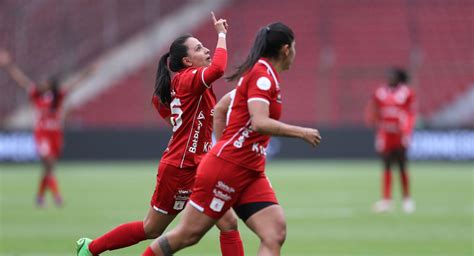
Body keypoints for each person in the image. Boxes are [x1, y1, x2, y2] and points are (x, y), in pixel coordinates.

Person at [141, 22, 322, 256]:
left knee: (274, 232)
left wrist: (223, 141)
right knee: (187, 235)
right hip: (229, 168)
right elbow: (258, 121)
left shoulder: (267, 75)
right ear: (286, 49)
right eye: (295, 47)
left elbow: (220, 107)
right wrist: (302, 132)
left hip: (251, 170)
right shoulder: (262, 76)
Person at [76, 12, 244, 256]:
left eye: (205, 45)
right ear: (187, 61)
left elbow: (162, 105)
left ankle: (90, 249)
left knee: (228, 223)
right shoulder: (189, 80)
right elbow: (218, 68)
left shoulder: (188, 83)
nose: (206, 50)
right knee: (152, 229)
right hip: (180, 169)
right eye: (199, 48)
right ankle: (90, 248)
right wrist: (221, 35)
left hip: (197, 165)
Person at [0, 49, 95, 207]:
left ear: (51, 86)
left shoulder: (57, 98)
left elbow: (73, 85)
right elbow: (22, 81)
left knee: (48, 168)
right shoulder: (36, 95)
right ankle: (57, 197)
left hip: (56, 135)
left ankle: (39, 197)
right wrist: (9, 66)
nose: (42, 84)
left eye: (46, 83)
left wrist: (87, 72)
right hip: (42, 135)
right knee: (49, 163)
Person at [366, 68, 416, 213]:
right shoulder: (380, 93)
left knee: (402, 166)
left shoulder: (406, 93)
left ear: (399, 78)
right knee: (386, 165)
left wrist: (407, 132)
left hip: (399, 134)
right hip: (386, 134)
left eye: (392, 76)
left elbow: (411, 114)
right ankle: (387, 200)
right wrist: (375, 125)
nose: (389, 79)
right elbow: (374, 109)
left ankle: (407, 199)